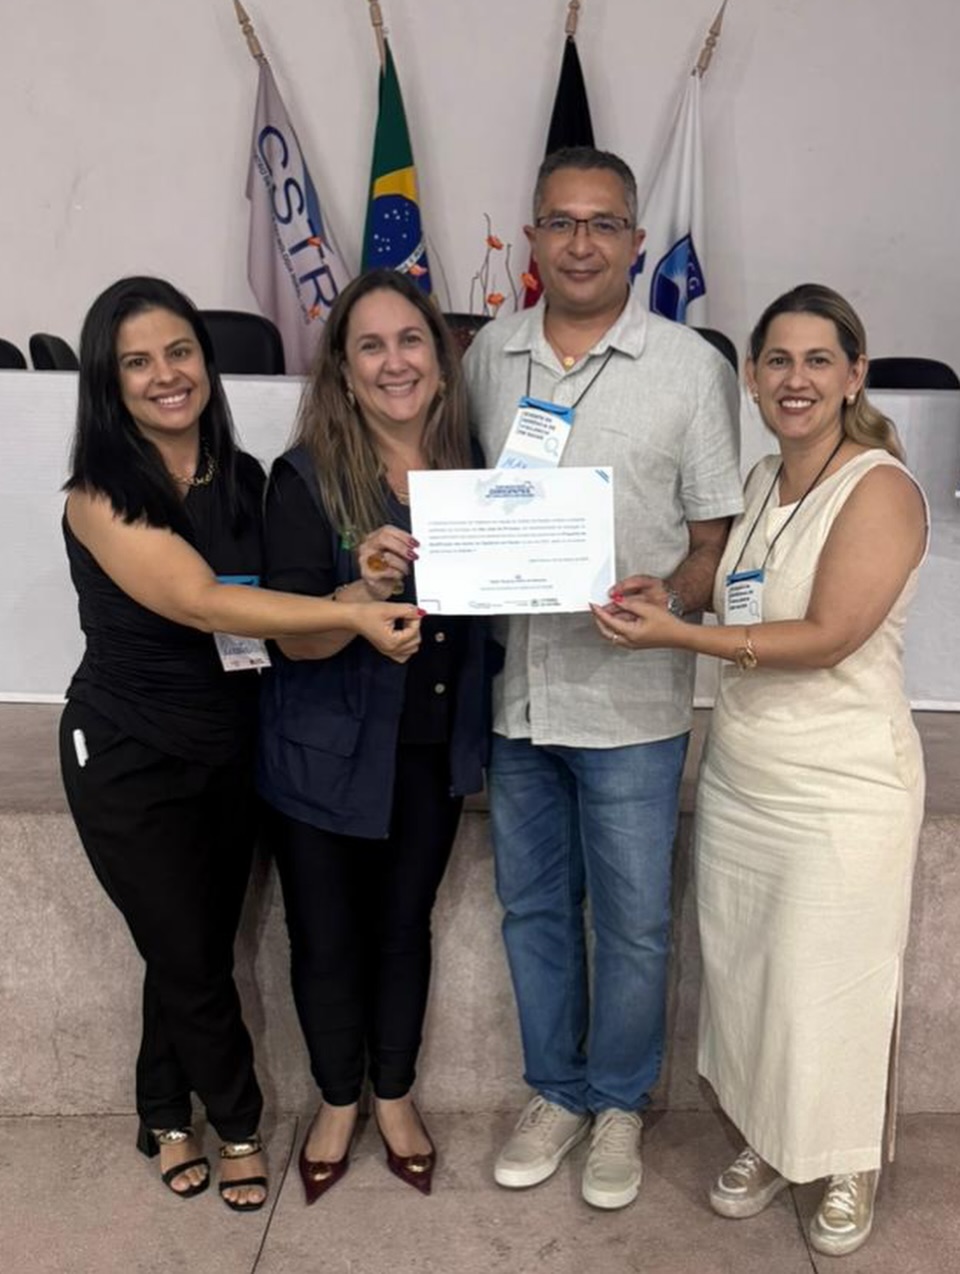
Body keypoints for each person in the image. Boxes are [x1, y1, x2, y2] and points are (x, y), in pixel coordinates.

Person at [59, 275, 422, 1212]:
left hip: (227, 748)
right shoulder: (99, 496)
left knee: (186, 946)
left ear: (206, 361)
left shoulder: (242, 477)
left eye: (179, 351)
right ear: (109, 382)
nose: (166, 375)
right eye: (137, 362)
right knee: (189, 956)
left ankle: (159, 1110)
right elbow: (204, 602)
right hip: (129, 756)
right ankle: (238, 1124)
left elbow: (275, 611)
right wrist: (351, 614)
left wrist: (360, 588)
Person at [593, 283, 927, 1257]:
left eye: (819, 360)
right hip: (745, 772)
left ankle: (846, 1161)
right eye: (777, 359)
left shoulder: (880, 488)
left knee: (829, 981)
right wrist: (671, 597)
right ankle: (775, 1141)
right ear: (749, 376)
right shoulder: (763, 477)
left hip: (841, 785)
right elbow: (740, 595)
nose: (795, 379)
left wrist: (679, 638)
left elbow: (827, 635)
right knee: (752, 981)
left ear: (855, 375)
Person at [463, 146, 744, 1209]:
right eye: (561, 222)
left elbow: (713, 544)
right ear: (533, 237)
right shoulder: (487, 356)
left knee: (631, 921)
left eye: (603, 223)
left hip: (631, 703)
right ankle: (557, 1092)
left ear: (636, 240)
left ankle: (619, 1101)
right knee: (532, 909)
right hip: (518, 695)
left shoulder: (690, 367)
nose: (581, 243)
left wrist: (675, 596)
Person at [257, 268, 492, 1203]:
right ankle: (335, 1100)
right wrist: (359, 594)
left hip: (430, 749)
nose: (395, 362)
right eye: (370, 346)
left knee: (403, 929)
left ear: (440, 358)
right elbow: (291, 637)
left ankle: (392, 1095)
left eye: (410, 340)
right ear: (344, 374)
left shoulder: (481, 471)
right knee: (324, 937)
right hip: (322, 756)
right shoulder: (303, 479)